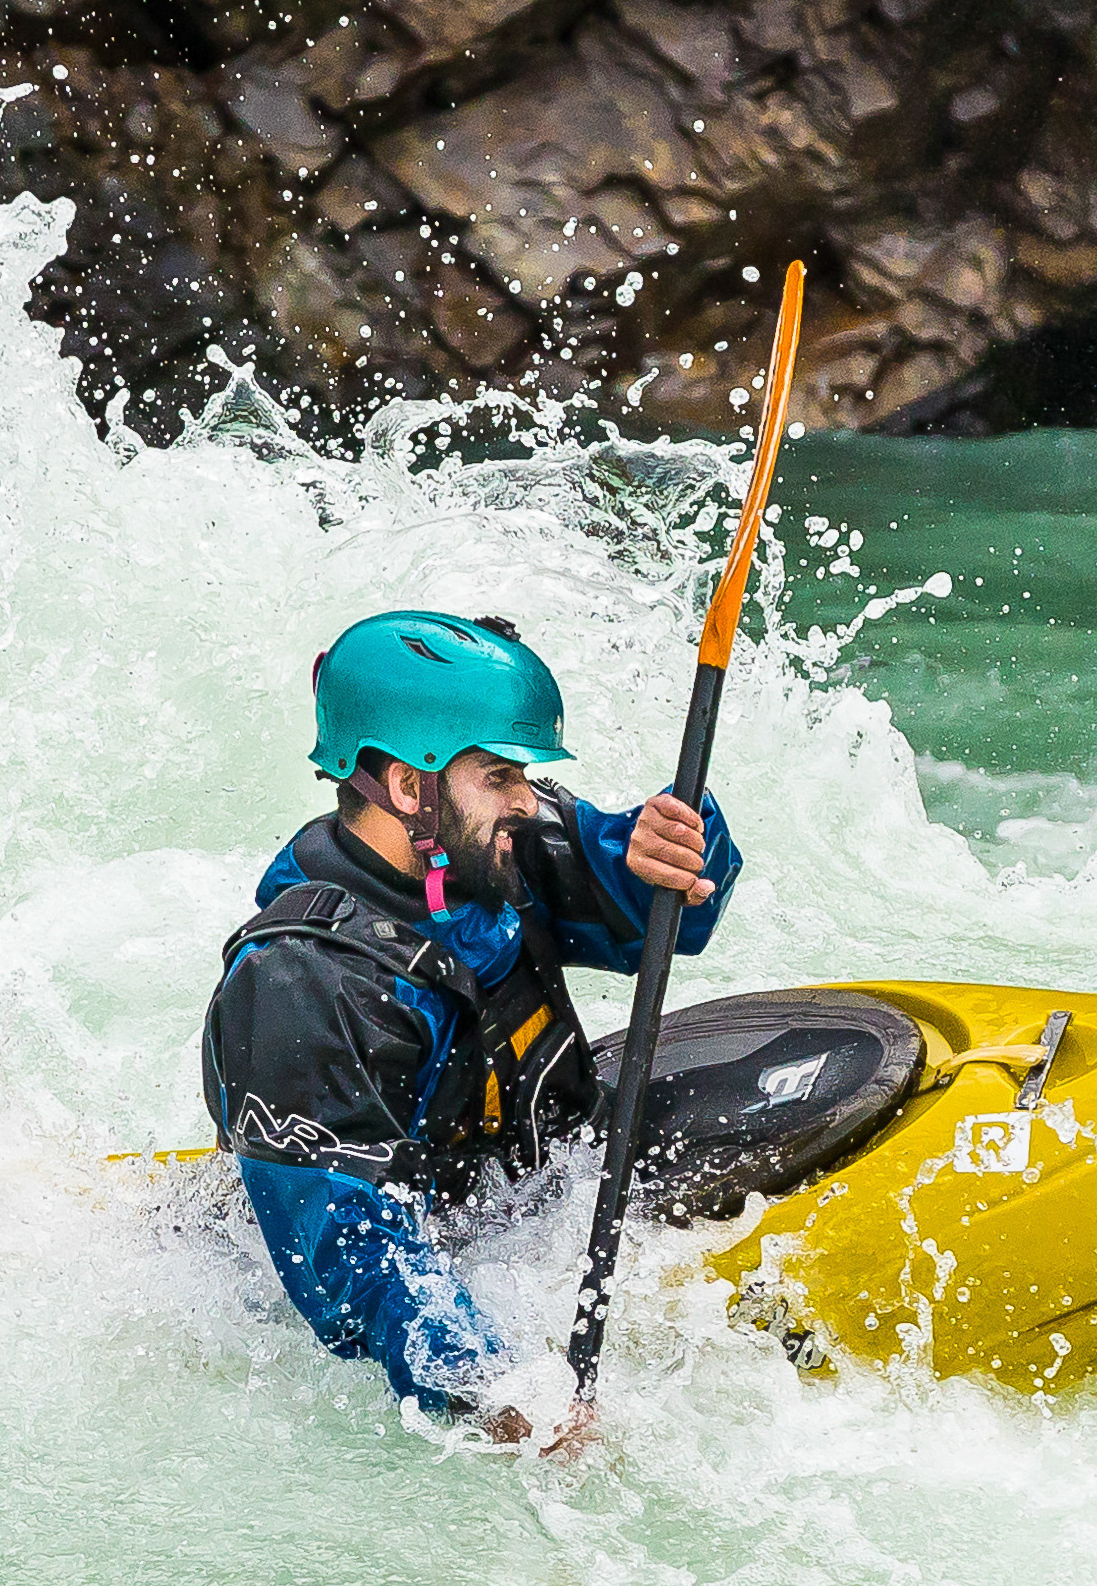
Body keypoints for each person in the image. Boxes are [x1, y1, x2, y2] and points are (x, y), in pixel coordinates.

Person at [201, 610, 737, 1444]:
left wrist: (674, 849)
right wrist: (495, 1384)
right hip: (383, 1267)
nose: (527, 799)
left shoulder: (493, 853)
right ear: (411, 788)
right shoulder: (298, 987)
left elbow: (659, 916)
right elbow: (354, 1255)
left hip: (521, 1194)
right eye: (498, 776)